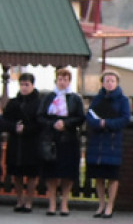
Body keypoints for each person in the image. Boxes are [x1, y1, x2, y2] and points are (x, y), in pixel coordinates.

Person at [38, 67, 85, 216]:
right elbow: (40, 116)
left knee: (67, 172)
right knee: (51, 172)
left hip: (69, 139)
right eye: (60, 79)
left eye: (65, 79)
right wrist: (52, 124)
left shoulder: (75, 98)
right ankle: (52, 203)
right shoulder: (48, 97)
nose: (62, 82)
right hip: (51, 139)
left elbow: (80, 117)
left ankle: (64, 203)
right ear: (56, 80)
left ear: (69, 81)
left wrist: (66, 124)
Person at [84, 70, 132, 218]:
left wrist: (108, 123)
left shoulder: (123, 100)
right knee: (98, 176)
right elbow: (90, 116)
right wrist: (99, 123)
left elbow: (125, 119)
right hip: (97, 142)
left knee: (112, 176)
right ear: (102, 83)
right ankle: (101, 204)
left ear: (117, 83)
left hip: (113, 142)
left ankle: (110, 206)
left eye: (112, 81)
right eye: (107, 81)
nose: (109, 83)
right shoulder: (97, 99)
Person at [1, 73, 42, 212]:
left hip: (31, 142)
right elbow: (4, 121)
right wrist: (14, 127)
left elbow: (40, 123)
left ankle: (29, 201)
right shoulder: (13, 102)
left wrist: (27, 129)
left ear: (32, 85)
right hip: (16, 142)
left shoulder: (38, 102)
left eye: (27, 85)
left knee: (31, 173)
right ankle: (19, 200)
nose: (24, 88)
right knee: (16, 172)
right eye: (22, 85)